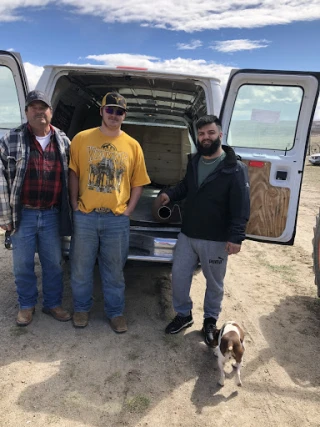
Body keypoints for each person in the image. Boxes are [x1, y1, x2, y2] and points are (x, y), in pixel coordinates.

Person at [160, 115, 250, 345]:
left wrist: (236, 236)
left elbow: (241, 205)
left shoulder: (234, 168)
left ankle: (210, 321)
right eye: (201, 134)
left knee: (214, 283)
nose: (205, 137)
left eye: (210, 133)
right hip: (188, 233)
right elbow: (186, 186)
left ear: (220, 135)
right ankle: (183, 315)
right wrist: (170, 194)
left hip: (216, 238)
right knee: (179, 277)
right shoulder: (194, 161)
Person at [69, 92, 150, 332]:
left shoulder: (133, 145)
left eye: (119, 111)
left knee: (114, 270)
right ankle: (81, 310)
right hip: (85, 216)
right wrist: (74, 205)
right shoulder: (81, 139)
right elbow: (73, 173)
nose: (114, 115)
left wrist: (129, 211)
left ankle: (115, 313)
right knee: (80, 268)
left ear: (124, 116)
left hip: (116, 220)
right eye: (110, 109)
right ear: (101, 111)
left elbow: (138, 182)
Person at [0, 90, 73, 326]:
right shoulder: (10, 140)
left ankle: (53, 304)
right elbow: (0, 180)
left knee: (53, 262)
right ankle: (26, 305)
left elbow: (73, 177)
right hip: (24, 214)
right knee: (22, 264)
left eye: (43, 107)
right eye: (34, 107)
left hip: (52, 213)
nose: (39, 111)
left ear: (51, 112)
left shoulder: (63, 141)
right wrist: (4, 215)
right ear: (26, 111)